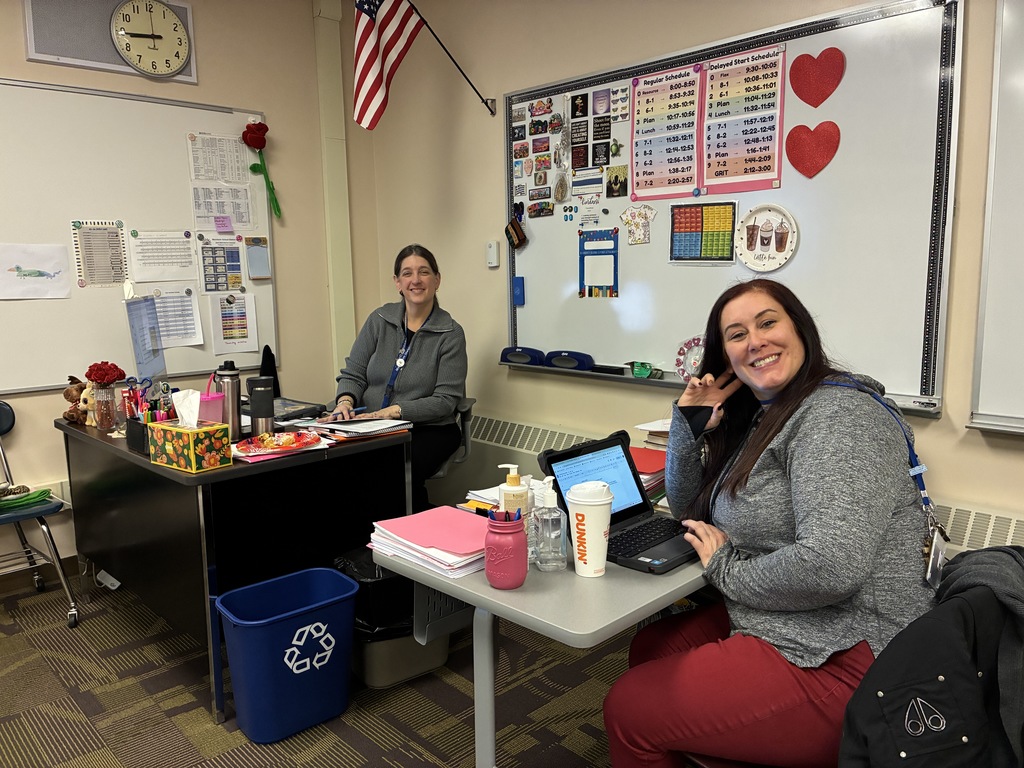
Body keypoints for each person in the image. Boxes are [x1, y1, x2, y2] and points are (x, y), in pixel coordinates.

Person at [603, 278, 936, 767]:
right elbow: (689, 511)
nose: (754, 341)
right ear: (725, 356)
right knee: (653, 647)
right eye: (736, 334)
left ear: (799, 329)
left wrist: (724, 567)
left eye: (767, 323)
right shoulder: (770, 413)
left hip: (849, 649)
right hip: (794, 616)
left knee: (628, 708)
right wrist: (687, 424)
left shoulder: (837, 415)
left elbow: (830, 566)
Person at [331, 244, 467, 512]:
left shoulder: (451, 333)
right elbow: (354, 372)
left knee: (387, 468)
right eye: (407, 273)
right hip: (370, 425)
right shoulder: (378, 321)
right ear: (397, 282)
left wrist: (393, 412)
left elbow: (445, 401)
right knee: (329, 464)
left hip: (429, 429)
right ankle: (351, 544)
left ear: (437, 280)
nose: (415, 280)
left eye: (424, 272)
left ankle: (394, 540)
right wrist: (345, 401)